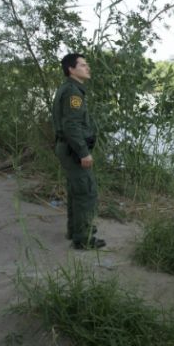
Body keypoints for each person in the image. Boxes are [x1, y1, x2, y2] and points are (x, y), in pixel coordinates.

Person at [52, 53, 106, 250]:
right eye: (83, 65)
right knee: (86, 192)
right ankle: (83, 239)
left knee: (77, 191)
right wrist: (83, 152)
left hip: (67, 147)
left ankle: (75, 231)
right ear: (71, 70)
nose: (87, 68)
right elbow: (72, 126)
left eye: (87, 65)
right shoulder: (73, 93)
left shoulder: (70, 89)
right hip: (73, 149)